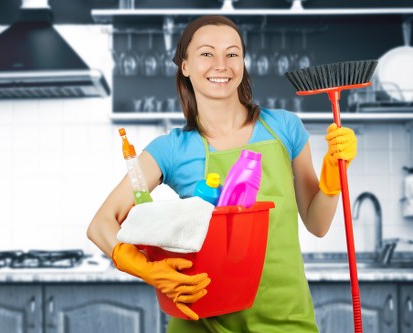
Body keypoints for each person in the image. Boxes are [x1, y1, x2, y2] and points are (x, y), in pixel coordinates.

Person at [87, 15, 357, 332]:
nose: (221, 64)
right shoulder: (170, 149)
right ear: (184, 65)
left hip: (285, 318)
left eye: (232, 53)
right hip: (201, 321)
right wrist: (147, 269)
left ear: (243, 63)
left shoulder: (285, 127)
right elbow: (100, 225)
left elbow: (318, 223)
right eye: (206, 53)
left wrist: (331, 181)